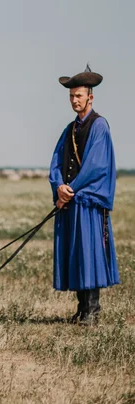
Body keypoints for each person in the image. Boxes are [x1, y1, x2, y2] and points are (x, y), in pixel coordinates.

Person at [49, 65, 119, 325]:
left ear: (90, 97)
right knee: (75, 254)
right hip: (70, 202)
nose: (74, 100)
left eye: (79, 95)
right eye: (71, 96)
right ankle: (81, 310)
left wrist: (71, 190)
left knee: (89, 254)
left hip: (89, 202)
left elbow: (96, 165)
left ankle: (92, 311)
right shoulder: (69, 129)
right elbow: (56, 162)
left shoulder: (99, 125)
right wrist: (59, 186)